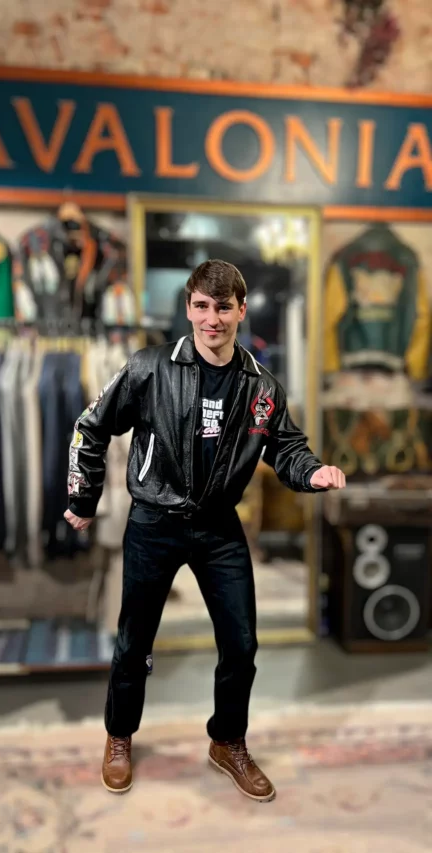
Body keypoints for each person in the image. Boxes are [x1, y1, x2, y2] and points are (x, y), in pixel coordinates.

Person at [64, 259, 346, 803]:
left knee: (241, 644)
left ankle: (228, 741)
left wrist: (311, 472)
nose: (211, 319)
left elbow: (286, 447)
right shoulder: (148, 368)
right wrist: (83, 497)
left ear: (241, 310)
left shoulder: (262, 386)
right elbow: (90, 427)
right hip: (153, 522)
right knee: (134, 643)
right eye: (201, 306)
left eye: (222, 308)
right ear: (189, 308)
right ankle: (119, 736)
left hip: (219, 527)